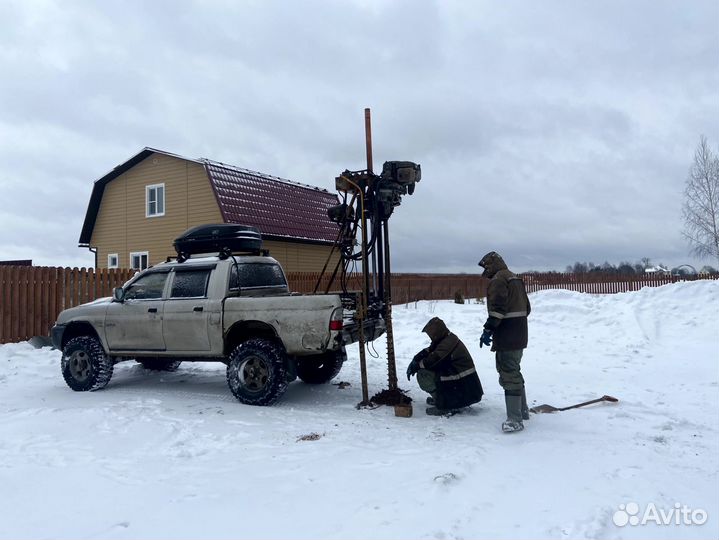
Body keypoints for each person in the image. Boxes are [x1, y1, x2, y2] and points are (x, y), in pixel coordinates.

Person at [478, 251, 531, 433]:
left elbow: (497, 310)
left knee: (508, 372)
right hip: (520, 333)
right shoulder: (514, 278)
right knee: (514, 369)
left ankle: (515, 419)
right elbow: (527, 308)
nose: (484, 271)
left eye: (485, 267)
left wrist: (488, 330)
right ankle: (522, 411)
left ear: (491, 265)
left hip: (508, 335)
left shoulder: (498, 280)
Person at [406, 317, 484, 416]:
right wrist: (416, 358)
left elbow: (432, 361)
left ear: (437, 332)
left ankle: (445, 406)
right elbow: (430, 350)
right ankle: (442, 399)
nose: (430, 337)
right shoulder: (446, 338)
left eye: (431, 334)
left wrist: (416, 365)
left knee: (423, 375)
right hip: (463, 383)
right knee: (430, 372)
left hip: (465, 387)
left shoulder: (447, 343)